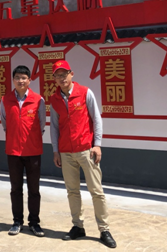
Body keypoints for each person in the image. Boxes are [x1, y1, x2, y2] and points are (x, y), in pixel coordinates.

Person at [49, 60, 117, 249]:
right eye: (58, 75)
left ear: (71, 74)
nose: (61, 78)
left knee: (96, 191)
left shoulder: (85, 93)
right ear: (54, 79)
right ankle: (78, 226)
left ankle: (104, 229)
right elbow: (54, 126)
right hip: (66, 152)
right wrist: (55, 150)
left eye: (64, 74)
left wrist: (97, 145)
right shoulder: (54, 99)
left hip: (86, 150)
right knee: (72, 191)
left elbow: (97, 118)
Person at [0, 65, 46, 237]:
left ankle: (34, 222)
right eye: (17, 77)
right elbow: (5, 123)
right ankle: (17, 221)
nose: (21, 81)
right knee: (15, 189)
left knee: (34, 189)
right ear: (13, 80)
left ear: (29, 80)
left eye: (24, 78)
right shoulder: (5, 100)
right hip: (13, 152)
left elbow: (41, 124)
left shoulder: (38, 100)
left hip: (33, 151)